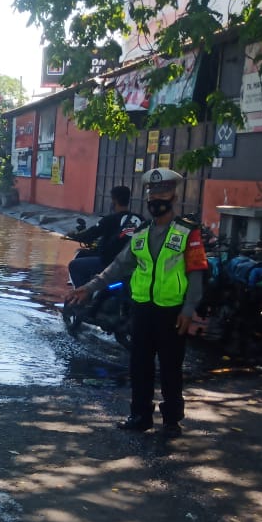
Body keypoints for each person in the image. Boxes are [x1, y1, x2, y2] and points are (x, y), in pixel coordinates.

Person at [65, 167, 208, 438]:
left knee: (170, 367)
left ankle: (171, 419)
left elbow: (197, 272)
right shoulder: (141, 233)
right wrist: (88, 287)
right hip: (142, 309)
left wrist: (189, 310)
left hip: (172, 311)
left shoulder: (188, 232)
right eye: (152, 193)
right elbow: (118, 267)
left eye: (163, 192)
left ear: (174, 196)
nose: (157, 198)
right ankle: (140, 416)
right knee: (139, 365)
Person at [66, 185, 143, 288]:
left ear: (114, 201)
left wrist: (75, 235)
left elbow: (90, 235)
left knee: (74, 265)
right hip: (133, 264)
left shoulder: (109, 219)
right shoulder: (141, 219)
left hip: (110, 263)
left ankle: (83, 297)